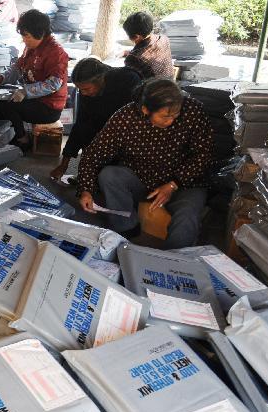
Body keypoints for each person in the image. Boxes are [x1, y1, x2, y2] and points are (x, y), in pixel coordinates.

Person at [77, 79, 213, 249]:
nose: (170, 121)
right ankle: (126, 232)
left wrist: (173, 185)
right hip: (142, 179)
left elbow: (204, 155)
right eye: (165, 116)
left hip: (185, 183)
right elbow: (92, 155)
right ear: (145, 109)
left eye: (175, 116)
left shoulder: (193, 111)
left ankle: (175, 259)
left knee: (187, 216)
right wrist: (86, 190)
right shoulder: (125, 118)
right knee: (110, 175)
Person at [49, 58, 140, 182]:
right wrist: (64, 164)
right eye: (80, 90)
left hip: (129, 132)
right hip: (101, 128)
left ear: (101, 80)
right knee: (86, 130)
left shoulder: (128, 80)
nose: (83, 93)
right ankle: (90, 175)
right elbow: (80, 124)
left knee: (109, 177)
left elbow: (137, 120)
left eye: (86, 89)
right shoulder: (87, 92)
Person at [0, 10, 68, 150]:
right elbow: (17, 68)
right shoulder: (31, 47)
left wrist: (26, 91)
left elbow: (54, 84)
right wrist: (1, 78)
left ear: (41, 33)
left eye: (27, 36)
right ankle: (13, 134)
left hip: (48, 107)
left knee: (9, 105)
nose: (24, 40)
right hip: (32, 99)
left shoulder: (56, 53)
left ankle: (22, 139)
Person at [123, 11, 174, 80]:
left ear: (137, 36)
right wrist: (128, 52)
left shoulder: (133, 59)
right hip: (170, 85)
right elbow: (150, 52)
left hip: (152, 89)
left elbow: (129, 79)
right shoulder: (164, 39)